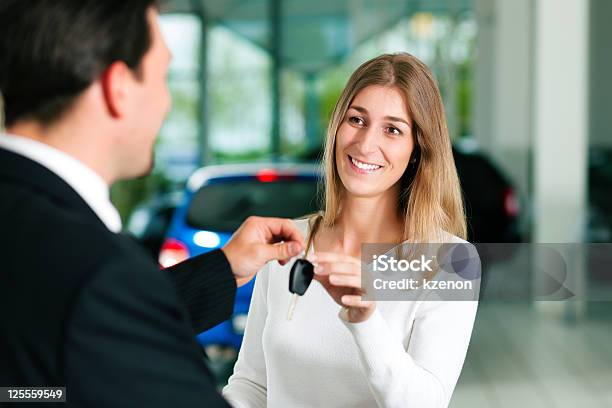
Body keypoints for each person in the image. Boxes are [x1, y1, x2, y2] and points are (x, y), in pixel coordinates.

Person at [0, 1, 304, 406]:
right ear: (118, 88)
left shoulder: (33, 225)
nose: (166, 102)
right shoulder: (98, 271)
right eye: (163, 77)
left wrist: (223, 267)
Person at [222, 53, 479, 408]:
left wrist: (366, 320)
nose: (365, 143)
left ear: (417, 149)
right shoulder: (287, 244)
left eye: (392, 129)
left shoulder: (451, 261)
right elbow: (252, 384)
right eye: (357, 120)